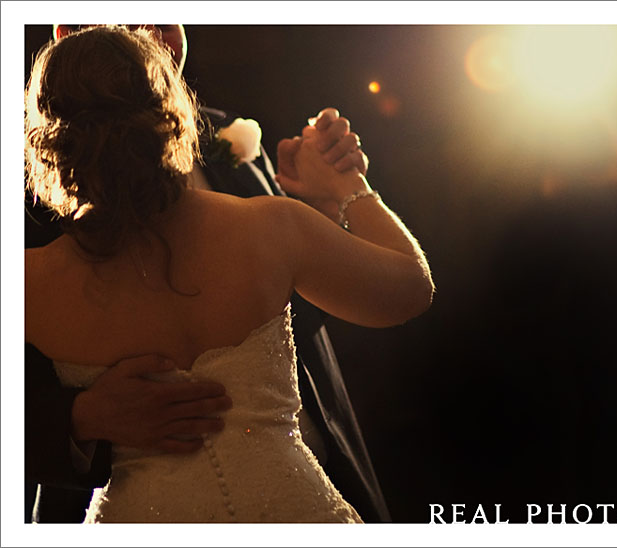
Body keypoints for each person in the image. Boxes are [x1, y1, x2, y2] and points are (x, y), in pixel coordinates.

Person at [25, 25, 410, 522]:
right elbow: (407, 289)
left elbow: (290, 304)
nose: (157, 34)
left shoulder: (234, 147)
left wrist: (323, 215)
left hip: (304, 476)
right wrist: (81, 417)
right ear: (67, 27)